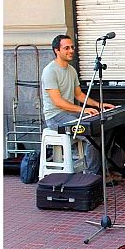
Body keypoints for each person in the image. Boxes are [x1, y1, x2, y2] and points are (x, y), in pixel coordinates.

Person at [41, 34, 119, 182]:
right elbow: (58, 102)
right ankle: (93, 177)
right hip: (55, 117)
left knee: (104, 126)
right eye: (66, 48)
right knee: (92, 134)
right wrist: (83, 111)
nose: (71, 50)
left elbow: (79, 95)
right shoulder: (50, 71)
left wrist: (98, 105)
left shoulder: (71, 70)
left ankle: (102, 170)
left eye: (72, 47)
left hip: (71, 113)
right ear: (56, 50)